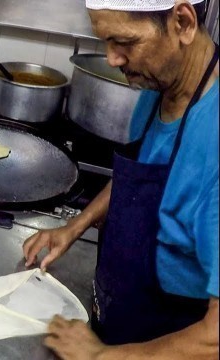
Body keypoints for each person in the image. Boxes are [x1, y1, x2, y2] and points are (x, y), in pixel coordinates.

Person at [23, 0, 218, 358]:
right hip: (117, 324)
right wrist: (76, 225)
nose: (112, 59)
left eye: (125, 43)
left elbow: (215, 336)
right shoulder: (158, 89)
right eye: (106, 42)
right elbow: (142, 178)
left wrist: (102, 356)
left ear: (183, 22)